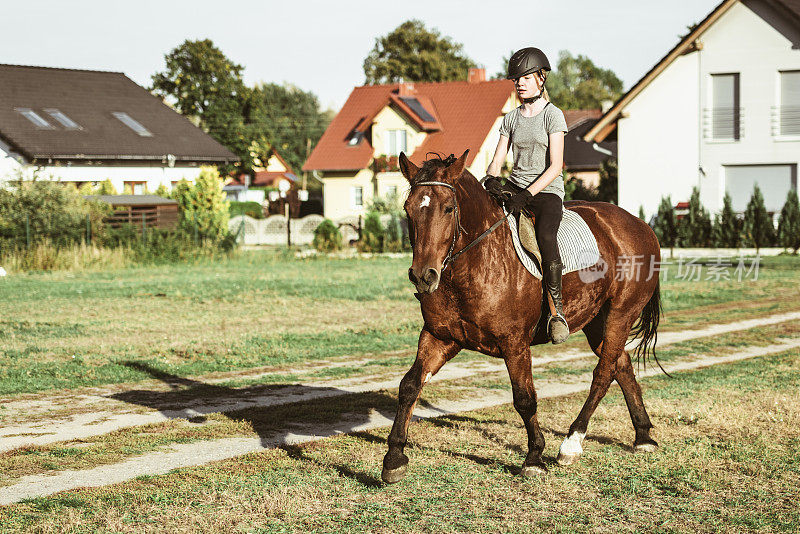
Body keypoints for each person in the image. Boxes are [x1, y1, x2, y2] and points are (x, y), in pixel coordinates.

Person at [484, 47, 570, 344]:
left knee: (545, 238)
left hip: (546, 191)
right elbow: (497, 160)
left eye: (524, 77)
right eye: (515, 79)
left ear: (540, 78)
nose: (519, 83)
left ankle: (556, 311)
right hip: (516, 188)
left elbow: (556, 166)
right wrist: (491, 177)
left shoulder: (553, 115)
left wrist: (528, 193)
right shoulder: (510, 118)